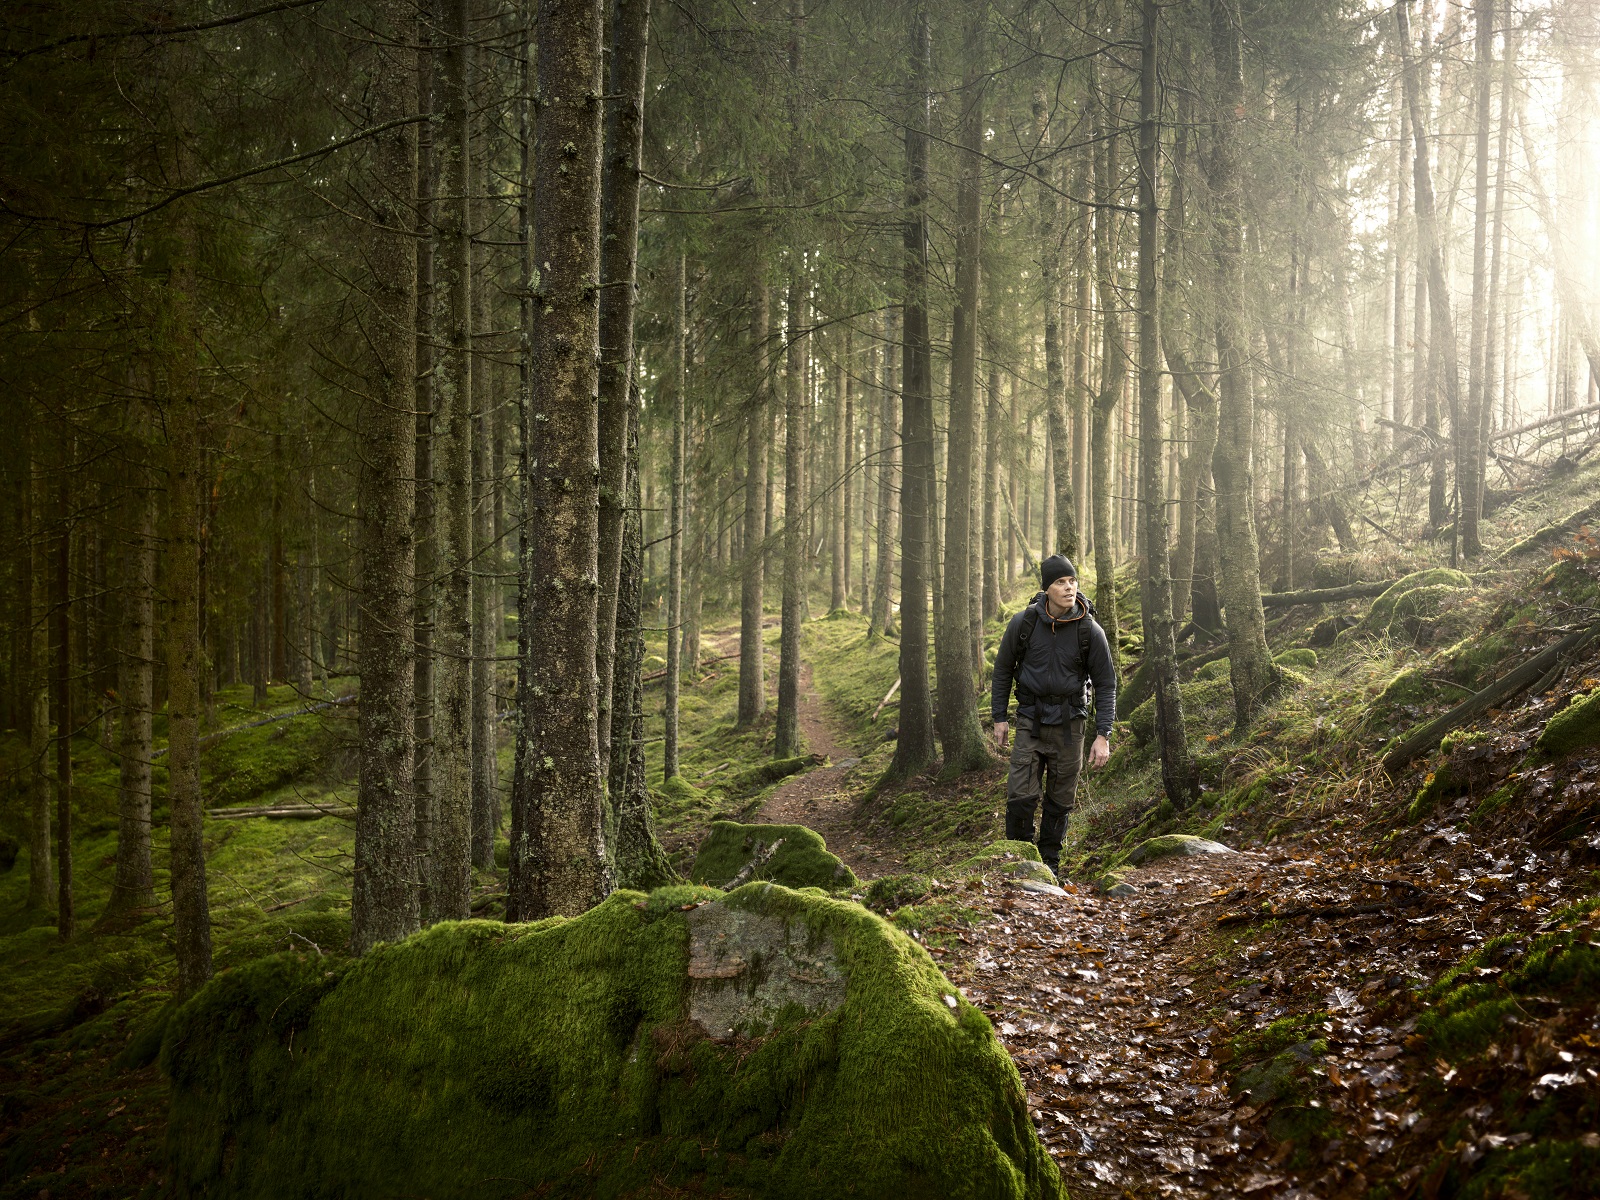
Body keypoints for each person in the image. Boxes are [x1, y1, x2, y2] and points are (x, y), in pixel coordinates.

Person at [990, 554, 1116, 876]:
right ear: (1047, 588)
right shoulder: (1024, 624)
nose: (1069, 587)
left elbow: (1106, 684)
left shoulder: (1090, 631)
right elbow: (1002, 670)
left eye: (1072, 581)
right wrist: (999, 717)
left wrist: (1103, 735)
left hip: (1070, 725)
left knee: (1060, 801)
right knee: (1020, 796)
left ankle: (1049, 868)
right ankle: (1019, 863)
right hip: (1029, 720)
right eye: (1061, 582)